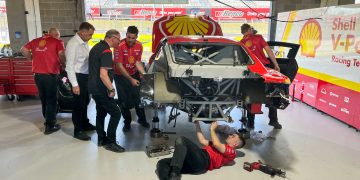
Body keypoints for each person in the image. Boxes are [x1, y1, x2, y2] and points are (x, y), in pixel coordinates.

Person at [156, 121, 245, 180]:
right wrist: (197, 124)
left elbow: (217, 144)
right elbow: (202, 140)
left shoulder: (232, 152)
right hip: (195, 163)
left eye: (233, 136)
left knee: (181, 140)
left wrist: (212, 129)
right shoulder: (219, 145)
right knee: (162, 163)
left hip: (203, 160)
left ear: (236, 144)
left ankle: (175, 172)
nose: (229, 135)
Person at [20, 27, 66, 135]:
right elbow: (61, 55)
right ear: (55, 35)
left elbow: (23, 49)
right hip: (50, 75)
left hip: (37, 76)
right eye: (58, 34)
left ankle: (47, 119)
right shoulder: (57, 42)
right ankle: (50, 126)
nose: (59, 36)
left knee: (44, 98)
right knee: (51, 99)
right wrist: (64, 64)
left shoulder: (36, 41)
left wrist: (30, 58)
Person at [88, 29, 125, 153]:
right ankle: (111, 142)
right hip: (101, 88)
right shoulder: (106, 51)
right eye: (118, 40)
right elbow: (103, 74)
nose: (119, 43)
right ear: (113, 38)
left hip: (93, 87)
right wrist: (111, 89)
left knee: (101, 113)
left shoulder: (96, 47)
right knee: (116, 113)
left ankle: (101, 138)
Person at [240, 23, 282, 129]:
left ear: (242, 32)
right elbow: (268, 51)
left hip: (250, 71)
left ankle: (250, 122)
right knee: (271, 93)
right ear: (249, 29)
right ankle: (273, 120)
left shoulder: (240, 43)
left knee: (251, 95)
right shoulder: (258, 37)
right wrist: (276, 65)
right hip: (264, 69)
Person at [113, 26, 149, 132]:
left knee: (138, 99)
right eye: (128, 37)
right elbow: (119, 65)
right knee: (123, 101)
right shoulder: (119, 46)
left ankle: (142, 120)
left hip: (133, 75)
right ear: (126, 35)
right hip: (120, 76)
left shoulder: (139, 45)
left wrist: (144, 74)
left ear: (136, 37)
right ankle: (127, 122)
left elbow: (138, 62)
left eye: (133, 38)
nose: (130, 40)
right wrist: (130, 79)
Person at [65, 22, 96, 141]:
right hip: (77, 77)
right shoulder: (73, 44)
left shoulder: (84, 42)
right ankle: (78, 130)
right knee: (78, 105)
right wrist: (75, 84)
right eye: (89, 34)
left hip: (84, 76)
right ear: (82, 32)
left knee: (85, 102)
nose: (91, 37)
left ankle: (85, 123)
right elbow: (69, 66)